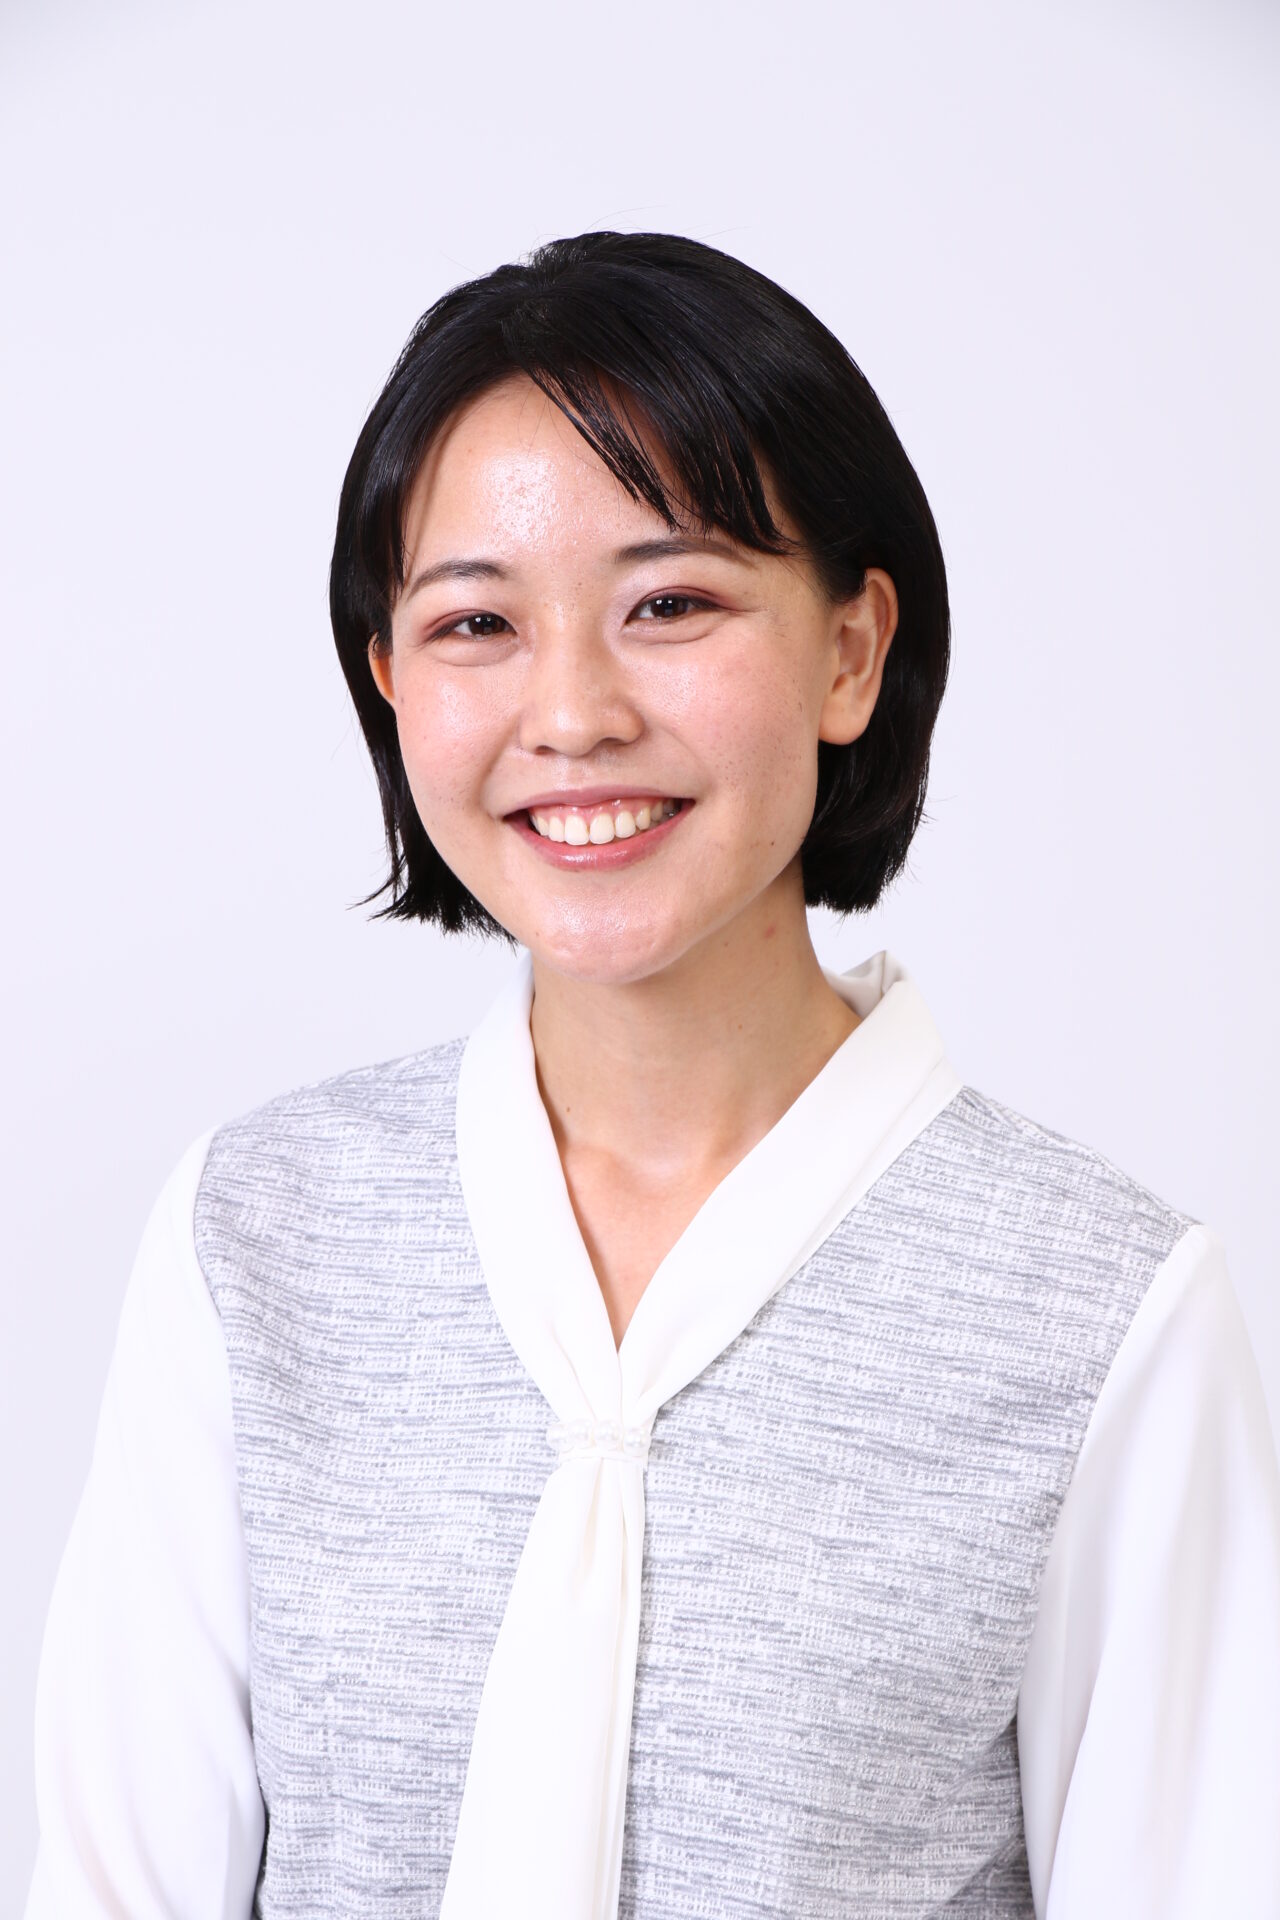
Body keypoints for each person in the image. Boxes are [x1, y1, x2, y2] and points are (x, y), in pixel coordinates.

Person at [23, 231, 1280, 1920]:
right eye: (476, 622)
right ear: (391, 681)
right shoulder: (258, 1236)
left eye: (669, 604)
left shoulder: (1103, 1310)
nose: (571, 713)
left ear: (851, 651)